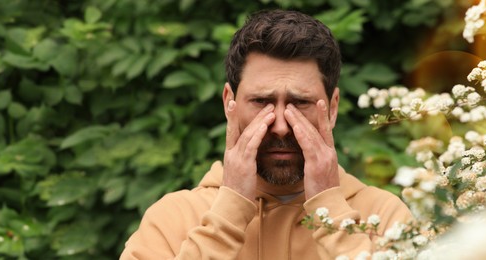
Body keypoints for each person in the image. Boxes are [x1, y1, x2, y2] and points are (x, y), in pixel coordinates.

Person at [120, 9, 412, 259]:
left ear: (332, 108)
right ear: (228, 103)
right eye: (261, 102)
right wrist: (228, 213)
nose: (282, 125)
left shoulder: (383, 215)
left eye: (300, 103)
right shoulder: (172, 219)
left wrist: (329, 208)